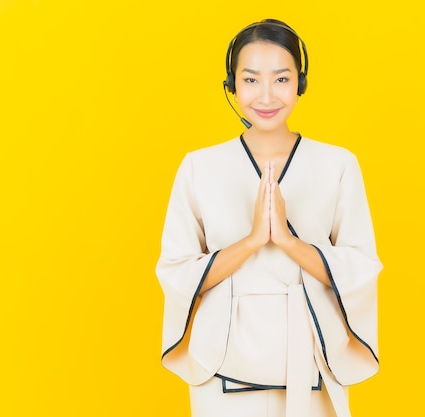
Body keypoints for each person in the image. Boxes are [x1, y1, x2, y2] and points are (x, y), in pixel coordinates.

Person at [156, 18, 382, 417]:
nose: (266, 95)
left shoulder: (338, 164)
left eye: (281, 79)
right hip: (223, 363)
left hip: (310, 352)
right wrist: (253, 241)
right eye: (250, 79)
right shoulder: (198, 167)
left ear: (300, 84)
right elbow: (176, 271)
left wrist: (290, 243)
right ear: (232, 85)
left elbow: (360, 268)